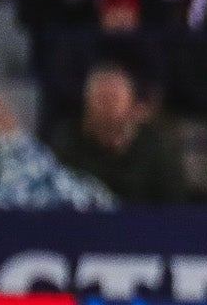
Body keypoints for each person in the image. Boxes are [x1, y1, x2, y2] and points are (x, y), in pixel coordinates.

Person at [47, 62, 187, 205]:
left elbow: (173, 204)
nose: (108, 107)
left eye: (114, 98)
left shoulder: (157, 144)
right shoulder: (67, 140)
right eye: (101, 99)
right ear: (87, 104)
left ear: (131, 103)